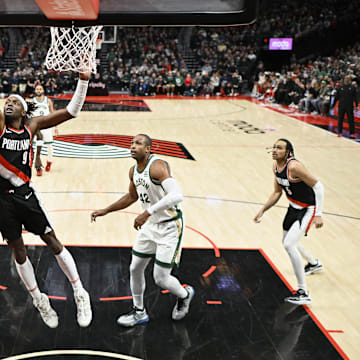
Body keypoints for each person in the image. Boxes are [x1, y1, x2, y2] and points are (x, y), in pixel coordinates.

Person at [0, 70, 92, 328]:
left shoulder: (33, 126)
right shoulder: (0, 126)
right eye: (7, 99)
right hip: (2, 200)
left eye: (15, 101)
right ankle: (39, 299)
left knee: (51, 239)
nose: (9, 102)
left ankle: (79, 292)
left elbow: (71, 111)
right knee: (18, 250)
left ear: (24, 110)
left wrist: (83, 80)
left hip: (25, 194)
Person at [91, 134, 194, 327]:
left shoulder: (158, 166)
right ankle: (139, 312)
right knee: (135, 268)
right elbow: (131, 197)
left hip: (170, 226)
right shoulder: (133, 171)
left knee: (161, 279)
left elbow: (177, 195)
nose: (132, 146)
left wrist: (147, 212)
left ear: (148, 149)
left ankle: (185, 294)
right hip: (150, 226)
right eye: (131, 143)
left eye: (138, 143)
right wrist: (106, 210)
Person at [254, 139, 324, 305]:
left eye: (279, 148)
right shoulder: (275, 167)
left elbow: (319, 186)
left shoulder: (294, 167)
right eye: (274, 147)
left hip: (308, 209)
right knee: (288, 240)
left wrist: (318, 214)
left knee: (289, 244)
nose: (274, 150)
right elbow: (277, 192)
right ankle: (313, 263)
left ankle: (303, 291)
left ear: (288, 152)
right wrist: (263, 209)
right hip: (293, 208)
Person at [32, 83, 57, 175]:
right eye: (37, 89)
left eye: (40, 89)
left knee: (49, 146)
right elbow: (30, 115)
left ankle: (49, 162)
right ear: (35, 91)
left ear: (43, 91)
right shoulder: (33, 101)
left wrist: (56, 126)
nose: (38, 91)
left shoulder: (48, 100)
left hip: (47, 126)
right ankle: (38, 168)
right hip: (37, 127)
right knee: (37, 148)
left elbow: (52, 114)